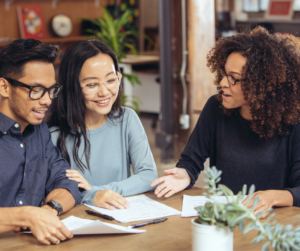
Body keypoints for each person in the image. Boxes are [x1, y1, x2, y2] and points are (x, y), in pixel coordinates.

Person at [151, 27, 300, 217]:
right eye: (224, 74)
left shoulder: (293, 121)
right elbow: (191, 161)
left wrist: (271, 197)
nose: (222, 83)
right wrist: (184, 174)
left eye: (234, 79)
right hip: (224, 219)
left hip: (274, 226)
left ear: (261, 85)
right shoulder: (215, 107)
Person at [47, 39, 157, 210]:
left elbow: (148, 176)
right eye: (91, 84)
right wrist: (92, 196)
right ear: (71, 87)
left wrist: (96, 192)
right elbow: (52, 194)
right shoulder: (53, 136)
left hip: (122, 217)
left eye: (111, 80)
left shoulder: (127, 119)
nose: (104, 92)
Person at [0, 39, 80, 244]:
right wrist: (27, 216)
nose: (47, 100)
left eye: (51, 89)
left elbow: (66, 182)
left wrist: (49, 210)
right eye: (36, 90)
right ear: (4, 87)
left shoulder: (39, 130)